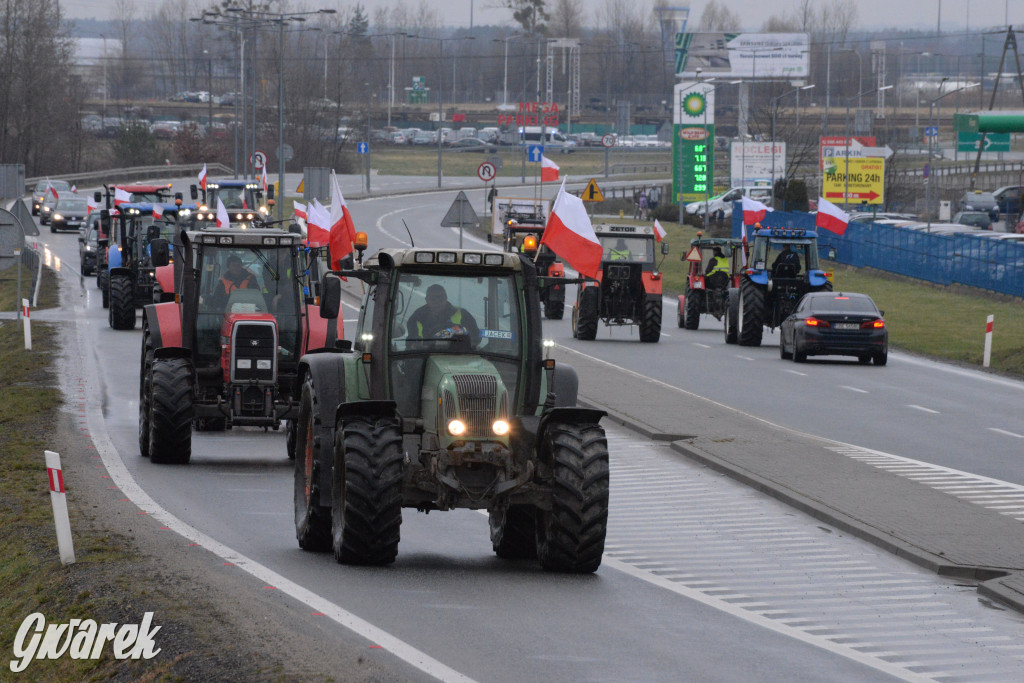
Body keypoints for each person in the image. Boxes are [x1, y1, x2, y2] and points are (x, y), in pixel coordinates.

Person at [406, 283, 480, 342]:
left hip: (459, 355)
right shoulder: (417, 317)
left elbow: (476, 336)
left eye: (440, 297)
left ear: (446, 297)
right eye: (433, 298)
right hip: (426, 356)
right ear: (426, 299)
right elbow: (412, 342)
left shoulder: (463, 314)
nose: (437, 301)